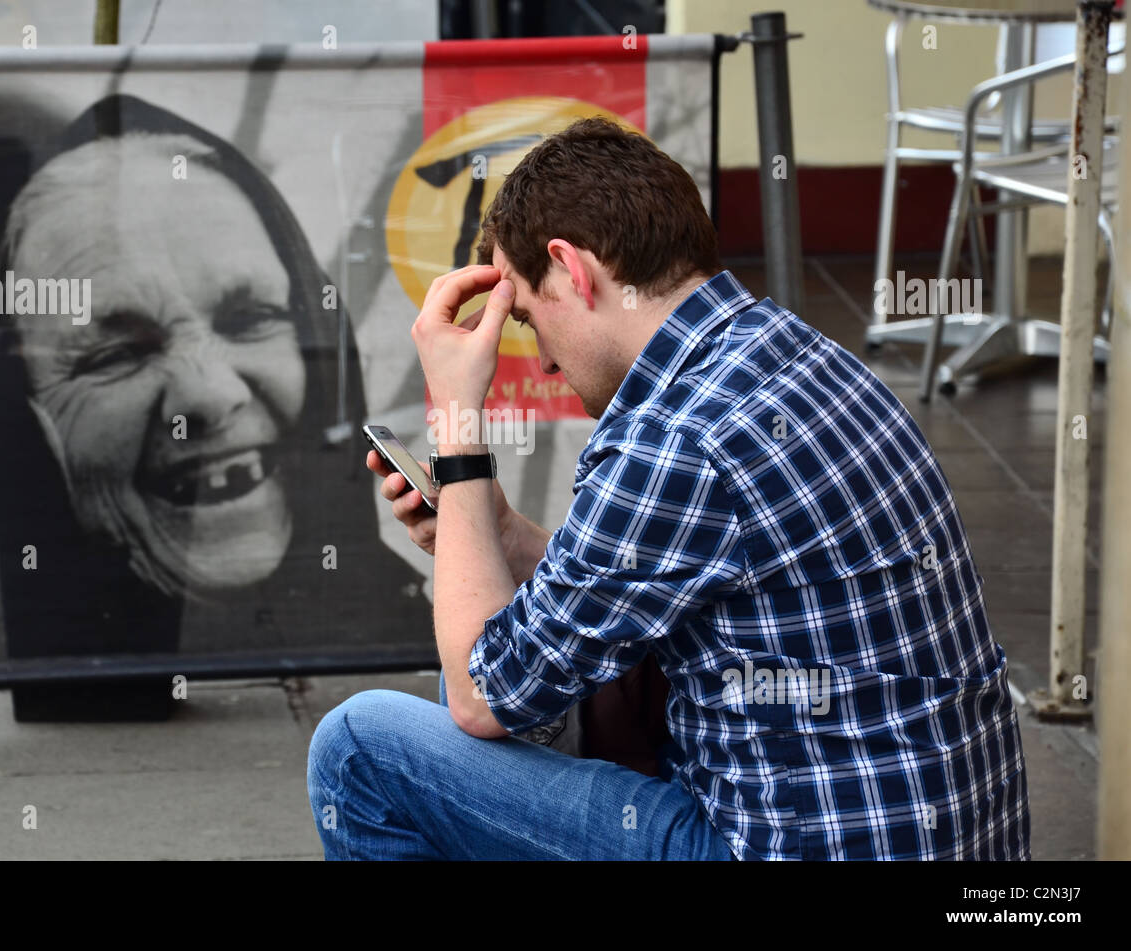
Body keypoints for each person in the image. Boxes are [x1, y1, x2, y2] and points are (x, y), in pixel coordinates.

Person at [307, 116, 1030, 860]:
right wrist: (488, 528)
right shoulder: (793, 351)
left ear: (572, 267)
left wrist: (458, 426)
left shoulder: (673, 436)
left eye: (526, 317)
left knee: (361, 748)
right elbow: (624, 589)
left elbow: (483, 695)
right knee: (533, 701)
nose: (545, 361)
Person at [0, 95, 433, 710]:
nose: (212, 395)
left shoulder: (406, 635)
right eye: (115, 355)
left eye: (250, 319)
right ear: (30, 416)